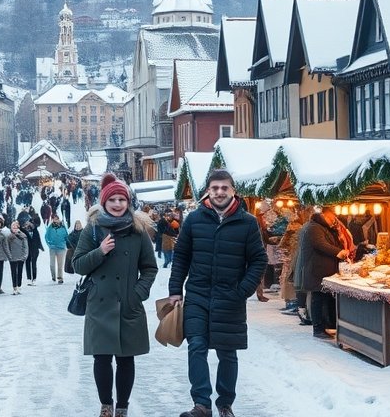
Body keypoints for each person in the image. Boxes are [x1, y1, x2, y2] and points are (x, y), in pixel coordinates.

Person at [168, 170, 266, 417]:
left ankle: (225, 404)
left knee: (227, 351)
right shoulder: (194, 219)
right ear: (208, 192)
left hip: (230, 297)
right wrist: (175, 290)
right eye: (215, 188)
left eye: (224, 188)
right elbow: (181, 256)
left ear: (233, 191)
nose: (220, 192)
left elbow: (258, 260)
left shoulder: (248, 223)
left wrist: (242, 290)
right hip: (198, 295)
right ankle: (202, 404)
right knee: (196, 346)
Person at [73, 173, 157, 417]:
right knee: (101, 359)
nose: (118, 204)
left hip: (128, 304)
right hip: (99, 305)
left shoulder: (138, 230)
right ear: (104, 202)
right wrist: (100, 251)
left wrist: (138, 293)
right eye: (114, 199)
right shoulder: (93, 229)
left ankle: (122, 407)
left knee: (126, 360)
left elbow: (150, 268)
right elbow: (78, 265)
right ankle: (106, 405)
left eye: (123, 199)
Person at [295, 205, 348, 339]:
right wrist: (338, 252)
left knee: (324, 298)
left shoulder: (322, 227)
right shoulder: (314, 228)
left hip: (322, 271)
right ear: (324, 215)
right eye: (331, 217)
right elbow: (321, 244)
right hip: (316, 271)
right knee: (318, 298)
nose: (334, 220)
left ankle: (326, 326)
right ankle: (318, 328)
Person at [7, 220, 29, 294]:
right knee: (13, 272)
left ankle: (19, 286)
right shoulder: (9, 236)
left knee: (19, 272)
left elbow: (25, 247)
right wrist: (9, 255)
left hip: (20, 256)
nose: (14, 228)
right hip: (12, 257)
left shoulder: (23, 236)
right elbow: (7, 247)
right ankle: (14, 287)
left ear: (18, 227)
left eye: (15, 226)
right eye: (12, 226)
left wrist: (25, 255)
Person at [45, 216, 69, 283]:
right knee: (52, 264)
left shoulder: (63, 227)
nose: (56, 220)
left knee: (60, 264)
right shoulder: (50, 228)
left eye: (57, 219)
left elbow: (67, 236)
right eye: (54, 219)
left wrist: (64, 243)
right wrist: (49, 244)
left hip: (61, 248)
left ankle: (60, 277)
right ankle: (53, 276)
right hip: (52, 248)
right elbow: (46, 237)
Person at [24, 221, 44, 286]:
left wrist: (40, 247)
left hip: (34, 249)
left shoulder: (35, 231)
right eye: (26, 224)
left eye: (30, 224)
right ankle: (29, 278)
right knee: (27, 264)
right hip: (27, 250)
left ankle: (34, 278)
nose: (28, 225)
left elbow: (38, 239)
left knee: (34, 264)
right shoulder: (24, 232)